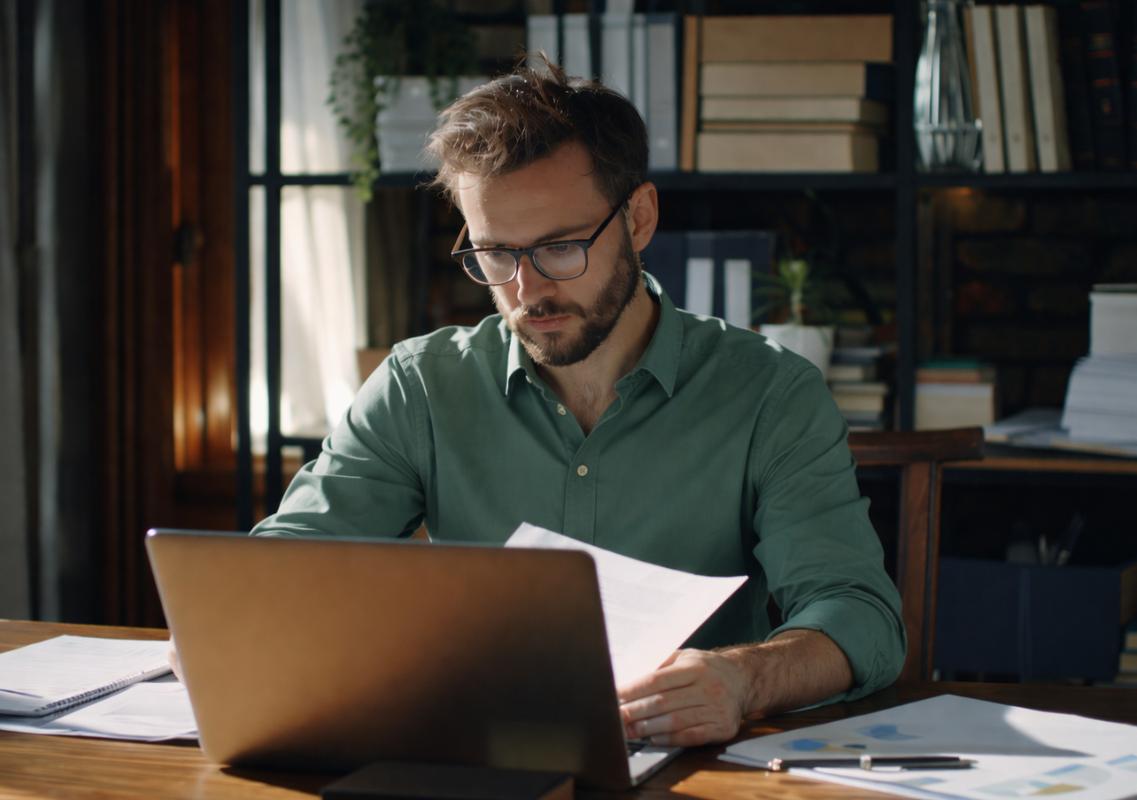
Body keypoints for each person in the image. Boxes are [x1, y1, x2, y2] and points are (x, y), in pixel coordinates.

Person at [170, 60, 904, 747]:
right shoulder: (420, 385)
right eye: (495, 254)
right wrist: (226, 627)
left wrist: (743, 678)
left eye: (559, 248)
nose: (526, 291)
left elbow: (859, 617)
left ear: (639, 219)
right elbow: (284, 572)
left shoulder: (770, 395)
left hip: (684, 771)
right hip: (466, 758)